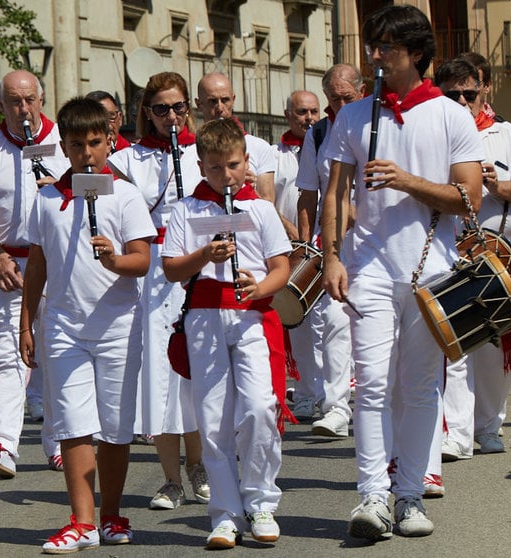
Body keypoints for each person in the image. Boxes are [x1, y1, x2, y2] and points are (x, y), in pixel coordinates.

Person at [320, 4, 484, 540]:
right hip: (366, 268)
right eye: (373, 46)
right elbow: (336, 194)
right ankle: (371, 497)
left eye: (386, 46)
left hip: (431, 270)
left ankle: (410, 494)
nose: (376, 55)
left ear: (415, 52)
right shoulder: (352, 115)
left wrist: (408, 180)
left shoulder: (451, 115)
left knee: (418, 387)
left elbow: (469, 198)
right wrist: (331, 256)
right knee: (369, 384)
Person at [20, 96, 155, 553]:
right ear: (64, 145)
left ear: (109, 141)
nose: (87, 154)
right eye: (77, 145)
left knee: (115, 429)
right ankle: (82, 522)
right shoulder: (45, 198)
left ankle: (113, 513)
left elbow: (143, 259)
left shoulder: (127, 193)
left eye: (95, 143)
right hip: (63, 326)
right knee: (73, 425)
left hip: (118, 325)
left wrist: (115, 259)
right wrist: (26, 321)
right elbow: (36, 264)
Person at [162, 118, 292, 549]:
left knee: (258, 407)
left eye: (233, 166)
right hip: (204, 314)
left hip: (251, 314)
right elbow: (170, 269)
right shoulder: (185, 210)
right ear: (201, 166)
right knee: (214, 417)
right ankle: (224, 511)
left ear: (245, 161)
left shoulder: (260, 208)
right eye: (215, 168)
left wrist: (261, 287)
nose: (225, 176)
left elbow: (281, 269)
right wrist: (204, 254)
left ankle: (260, 500)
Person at [107, 71, 209, 510]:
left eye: (179, 107)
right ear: (145, 113)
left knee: (198, 370)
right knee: (161, 373)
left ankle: (200, 466)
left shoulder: (202, 151)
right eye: (162, 108)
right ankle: (170, 478)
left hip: (200, 265)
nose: (172, 116)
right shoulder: (128, 160)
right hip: (154, 271)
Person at [0, 70, 71, 478]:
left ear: (42, 100)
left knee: (55, 353)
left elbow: (103, 189)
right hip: (9, 263)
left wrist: (63, 188)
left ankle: (59, 440)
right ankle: (3, 443)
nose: (23, 109)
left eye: (29, 100)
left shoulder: (66, 142)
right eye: (13, 101)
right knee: (9, 352)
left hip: (59, 263)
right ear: (2, 105)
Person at [434, 58, 511, 460]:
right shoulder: (434, 132)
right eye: (452, 94)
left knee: (493, 351)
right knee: (455, 345)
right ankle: (456, 434)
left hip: (498, 255)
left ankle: (489, 425)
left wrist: (497, 185)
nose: (462, 101)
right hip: (450, 252)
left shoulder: (505, 133)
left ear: (484, 90)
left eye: (469, 93)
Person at [295, 64, 365, 438]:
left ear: (363, 91)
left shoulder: (378, 125)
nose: (339, 105)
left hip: (374, 242)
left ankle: (375, 404)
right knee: (336, 322)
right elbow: (308, 193)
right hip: (335, 245)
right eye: (333, 99)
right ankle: (336, 406)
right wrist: (309, 245)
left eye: (347, 98)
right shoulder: (319, 133)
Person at [270, 90, 322, 421]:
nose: (309, 118)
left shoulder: (327, 145)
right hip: (290, 252)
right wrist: (290, 231)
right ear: (288, 115)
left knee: (329, 327)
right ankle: (304, 393)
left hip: (325, 247)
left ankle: (332, 393)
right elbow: (266, 199)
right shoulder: (275, 155)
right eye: (302, 112)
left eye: (314, 111)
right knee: (300, 326)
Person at [194, 72, 276, 194]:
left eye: (225, 100)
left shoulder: (259, 147)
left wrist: (251, 191)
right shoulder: (188, 149)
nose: (220, 108)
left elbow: (268, 204)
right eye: (212, 101)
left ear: (233, 100)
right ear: (199, 105)